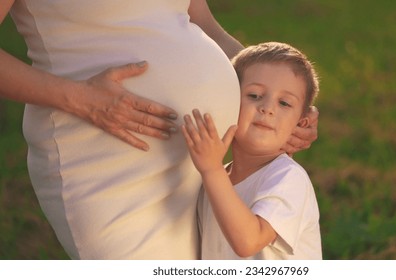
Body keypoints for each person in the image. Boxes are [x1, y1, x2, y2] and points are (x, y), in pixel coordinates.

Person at [0, 1, 318, 259]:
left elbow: (201, 21)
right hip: (105, 158)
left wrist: (278, 93)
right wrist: (83, 99)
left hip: (197, 166)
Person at [182, 42, 322, 259]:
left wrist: (211, 169)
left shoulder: (288, 178)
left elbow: (248, 241)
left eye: (284, 103)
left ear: (301, 125)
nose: (267, 108)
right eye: (254, 95)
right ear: (230, 101)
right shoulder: (215, 181)